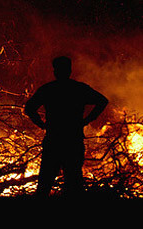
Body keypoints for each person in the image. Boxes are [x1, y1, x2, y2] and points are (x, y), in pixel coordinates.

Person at [24, 56, 108, 198]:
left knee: (45, 182)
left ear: (55, 72)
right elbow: (102, 101)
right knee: (73, 183)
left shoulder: (49, 89)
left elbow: (29, 108)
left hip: (54, 140)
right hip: (72, 141)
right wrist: (87, 120)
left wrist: (41, 124)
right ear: (69, 71)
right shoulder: (79, 89)